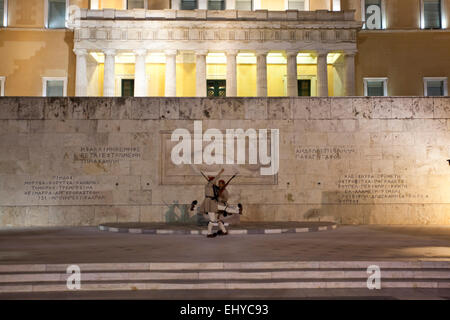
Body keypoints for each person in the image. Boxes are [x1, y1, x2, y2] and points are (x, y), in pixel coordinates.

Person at [203, 168, 227, 238]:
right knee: (212, 220)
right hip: (210, 204)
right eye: (214, 181)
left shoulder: (213, 187)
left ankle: (224, 231)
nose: (216, 183)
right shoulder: (209, 185)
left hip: (214, 204)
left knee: (217, 219)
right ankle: (209, 233)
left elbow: (219, 195)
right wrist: (220, 172)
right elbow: (214, 180)